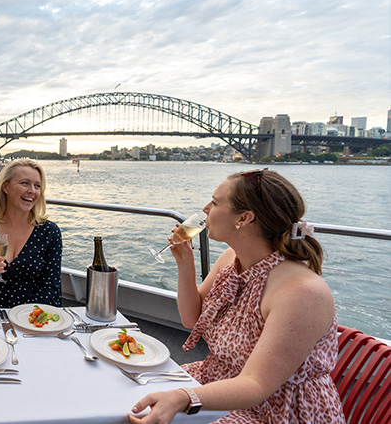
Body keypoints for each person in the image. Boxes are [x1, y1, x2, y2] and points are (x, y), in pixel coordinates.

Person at [129, 169, 345, 423]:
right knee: (130, 394)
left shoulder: (301, 292)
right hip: (221, 381)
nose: (205, 209)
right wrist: (185, 265)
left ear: (244, 218)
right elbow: (192, 320)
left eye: (215, 202)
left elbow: (256, 385)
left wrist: (182, 397)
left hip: (275, 409)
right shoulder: (231, 259)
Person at [0, 158, 62, 308]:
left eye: (37, 186)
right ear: (5, 187)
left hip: (29, 319)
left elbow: (52, 289)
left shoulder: (49, 232)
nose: (32, 191)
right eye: (24, 183)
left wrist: (26, 316)